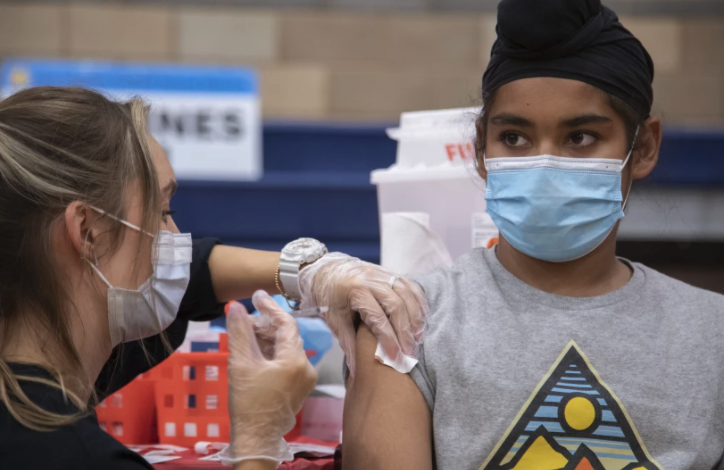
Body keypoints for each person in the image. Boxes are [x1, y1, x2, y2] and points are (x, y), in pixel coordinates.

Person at [343, 1, 724, 469]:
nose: (544, 163)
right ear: (481, 149)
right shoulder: (407, 323)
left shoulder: (713, 333)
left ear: (641, 147)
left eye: (580, 137)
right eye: (515, 138)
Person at [0, 86, 426, 469]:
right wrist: (257, 442)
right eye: (163, 213)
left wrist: (310, 272)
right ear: (87, 231)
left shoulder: (29, 369)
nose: (176, 242)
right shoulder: (68, 453)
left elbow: (197, 276)